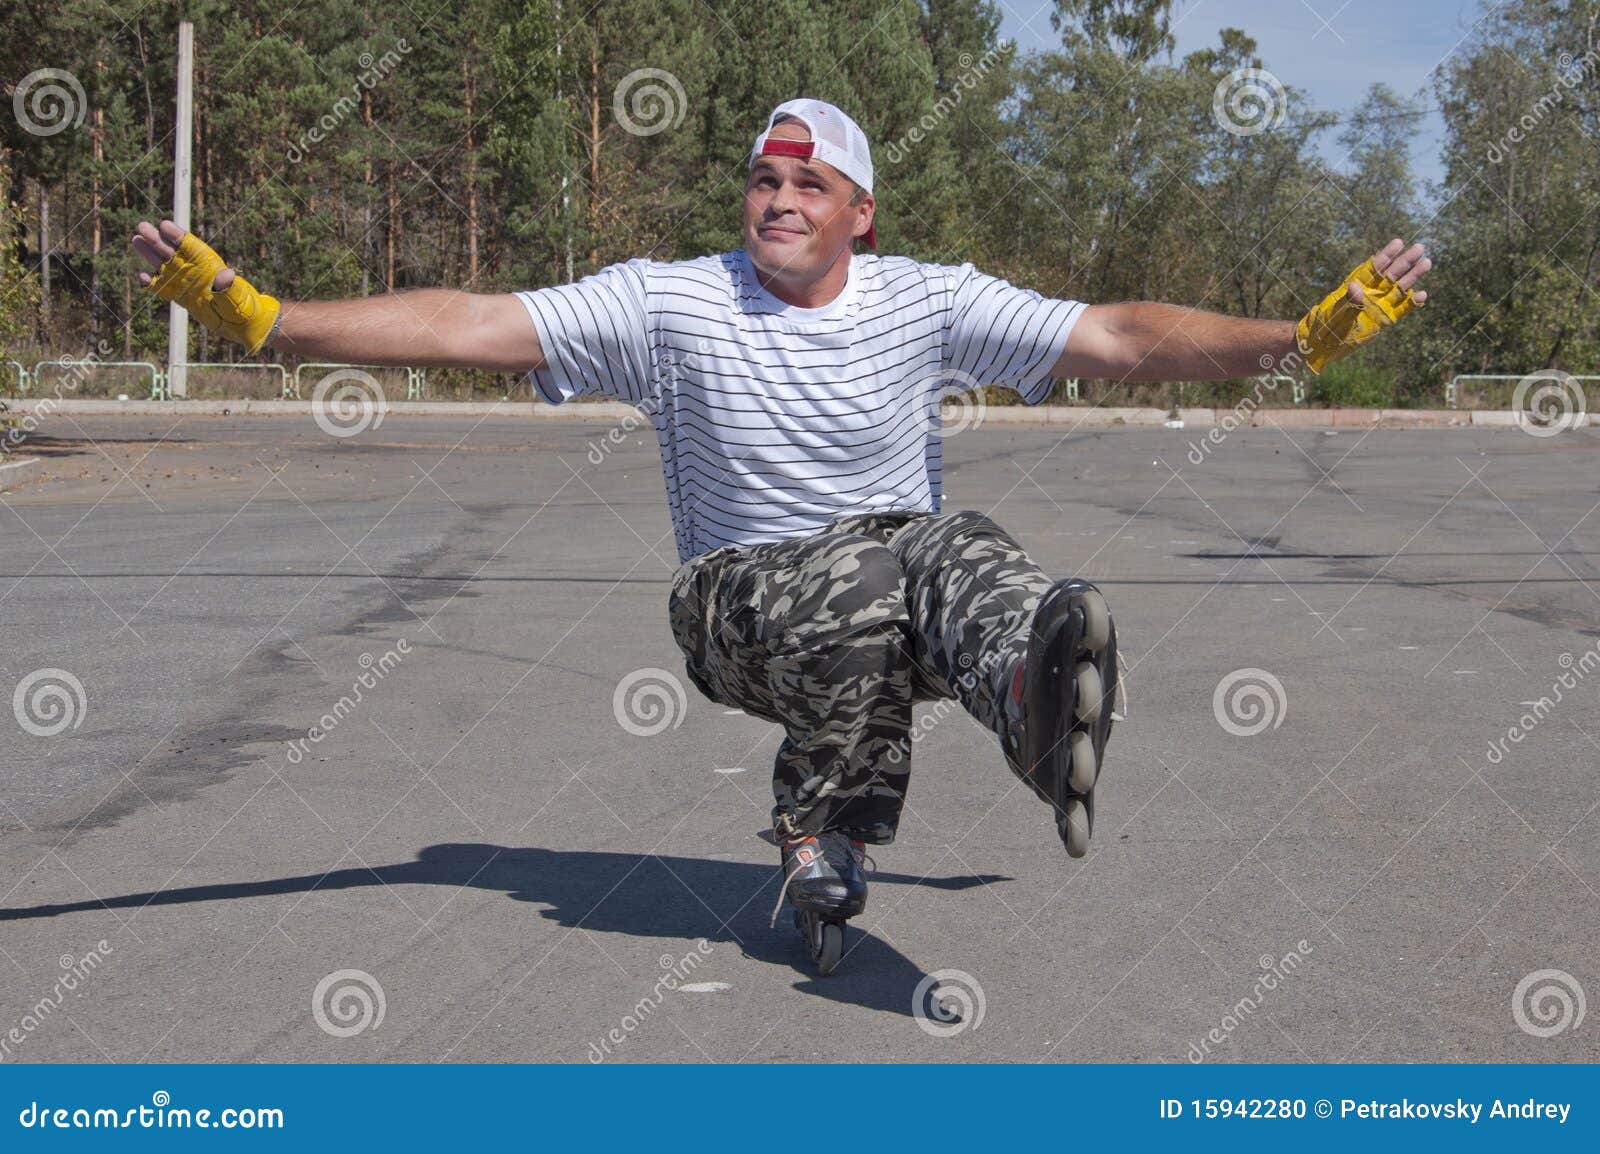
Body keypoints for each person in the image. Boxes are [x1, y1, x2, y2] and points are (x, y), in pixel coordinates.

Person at [131, 98, 1431, 968]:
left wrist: (1296, 340)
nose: (779, 197)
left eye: (810, 182)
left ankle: (1019, 694)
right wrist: (265, 315)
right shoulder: (666, 304)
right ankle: (856, 798)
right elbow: (470, 321)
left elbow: (1118, 336)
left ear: (860, 212)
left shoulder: (927, 299)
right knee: (861, 566)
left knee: (943, 544)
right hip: (729, 604)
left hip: (877, 600)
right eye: (763, 177)